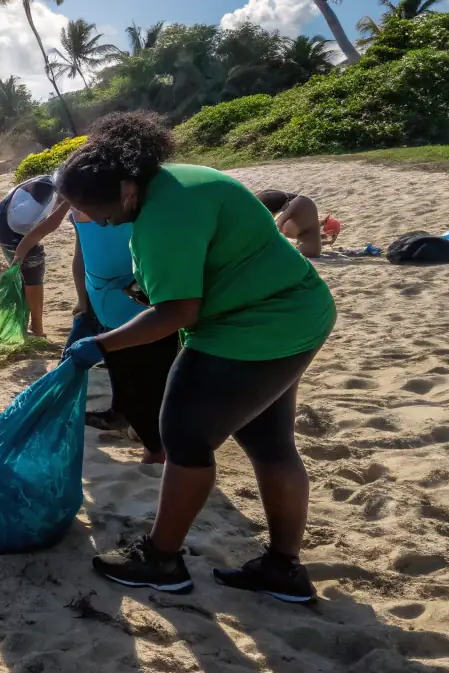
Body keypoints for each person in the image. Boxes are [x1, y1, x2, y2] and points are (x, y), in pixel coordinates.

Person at [57, 112, 335, 603]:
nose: (97, 222)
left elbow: (180, 313)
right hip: (299, 311)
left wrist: (100, 345)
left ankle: (162, 560)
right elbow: (213, 259)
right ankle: (283, 568)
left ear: (124, 190)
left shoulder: (161, 219)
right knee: (270, 442)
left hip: (251, 327)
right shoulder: (176, 180)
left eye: (96, 212)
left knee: (184, 433)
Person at [14, 203, 176, 463]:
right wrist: (82, 299)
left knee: (143, 378)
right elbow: (80, 258)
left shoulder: (126, 208)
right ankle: (114, 416)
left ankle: (153, 446)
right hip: (97, 302)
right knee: (78, 362)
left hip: (135, 303)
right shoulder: (77, 201)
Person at [0, 174, 63, 338]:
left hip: (4, 235)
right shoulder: (47, 188)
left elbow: (2, 204)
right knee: (33, 278)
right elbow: (50, 223)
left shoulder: (39, 181)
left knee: (24, 278)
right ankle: (37, 329)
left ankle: (22, 324)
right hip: (16, 236)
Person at [255, 190, 332, 259]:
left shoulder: (301, 205)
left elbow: (276, 229)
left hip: (305, 251)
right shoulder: (302, 206)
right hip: (308, 249)